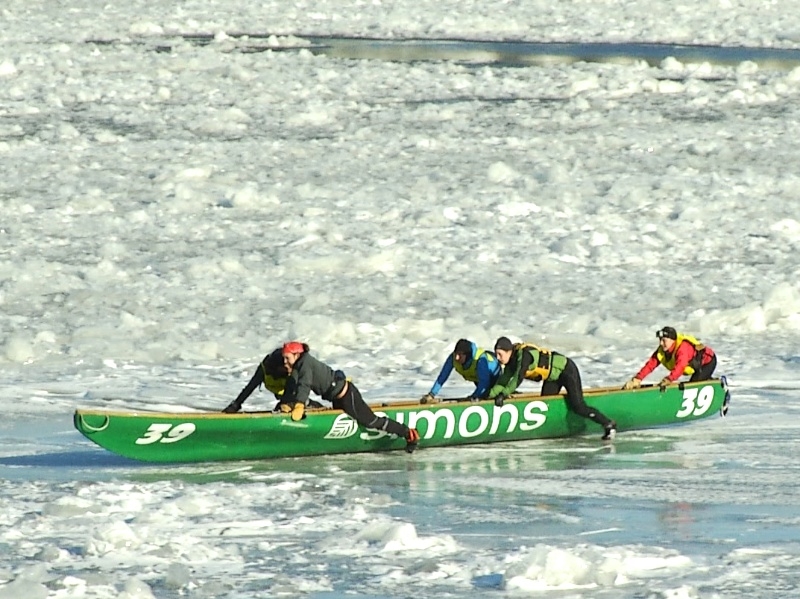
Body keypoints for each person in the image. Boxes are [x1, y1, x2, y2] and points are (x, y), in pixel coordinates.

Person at [281, 341, 420, 453]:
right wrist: (285, 403)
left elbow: (304, 385)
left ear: (297, 355)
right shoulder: (297, 367)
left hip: (347, 396)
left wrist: (299, 404)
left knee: (371, 421)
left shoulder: (305, 364)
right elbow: (293, 386)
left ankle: (408, 434)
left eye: (287, 358)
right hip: (336, 398)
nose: (284, 362)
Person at [489, 336, 617, 441]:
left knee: (578, 405)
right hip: (552, 378)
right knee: (546, 405)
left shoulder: (524, 356)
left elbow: (518, 378)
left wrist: (504, 394)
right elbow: (502, 382)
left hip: (566, 370)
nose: (498, 358)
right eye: (496, 355)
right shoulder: (510, 363)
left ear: (509, 351)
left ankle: (608, 424)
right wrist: (487, 396)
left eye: (500, 354)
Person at [623, 326, 717, 390]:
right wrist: (637, 379)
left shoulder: (682, 349)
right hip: (696, 366)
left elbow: (680, 366)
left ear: (673, 340)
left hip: (707, 363)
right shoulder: (663, 350)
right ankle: (708, 379)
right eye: (660, 340)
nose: (661, 343)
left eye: (664, 340)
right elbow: (650, 365)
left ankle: (718, 387)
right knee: (694, 382)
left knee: (693, 387)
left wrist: (669, 379)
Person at [421, 338, 501, 403]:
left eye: (460, 355)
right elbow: (442, 377)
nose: (456, 358)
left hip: (497, 378)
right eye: (456, 354)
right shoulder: (453, 358)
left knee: (487, 394)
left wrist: (474, 397)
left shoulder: (480, 361)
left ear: (468, 355)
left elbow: (484, 382)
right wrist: (431, 394)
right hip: (480, 380)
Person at [222, 347, 290, 413]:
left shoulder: (292, 368)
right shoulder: (265, 369)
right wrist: (236, 405)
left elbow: (299, 388)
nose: (287, 366)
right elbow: (250, 387)